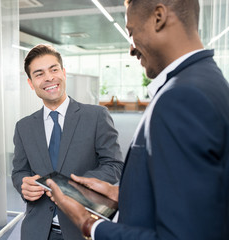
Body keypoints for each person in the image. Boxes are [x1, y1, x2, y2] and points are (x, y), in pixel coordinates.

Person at [47, 0, 229, 239]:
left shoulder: (181, 97)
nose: (131, 49)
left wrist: (87, 224)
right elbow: (197, 195)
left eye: (131, 33)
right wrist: (120, 194)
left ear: (159, 17)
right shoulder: (208, 80)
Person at [11, 44, 124, 240]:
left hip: (84, 227)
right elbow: (19, 171)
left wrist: (74, 187)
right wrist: (24, 184)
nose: (49, 78)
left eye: (54, 69)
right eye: (39, 74)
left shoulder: (96, 116)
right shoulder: (24, 126)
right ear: (31, 83)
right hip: (38, 231)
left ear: (64, 73)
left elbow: (114, 165)